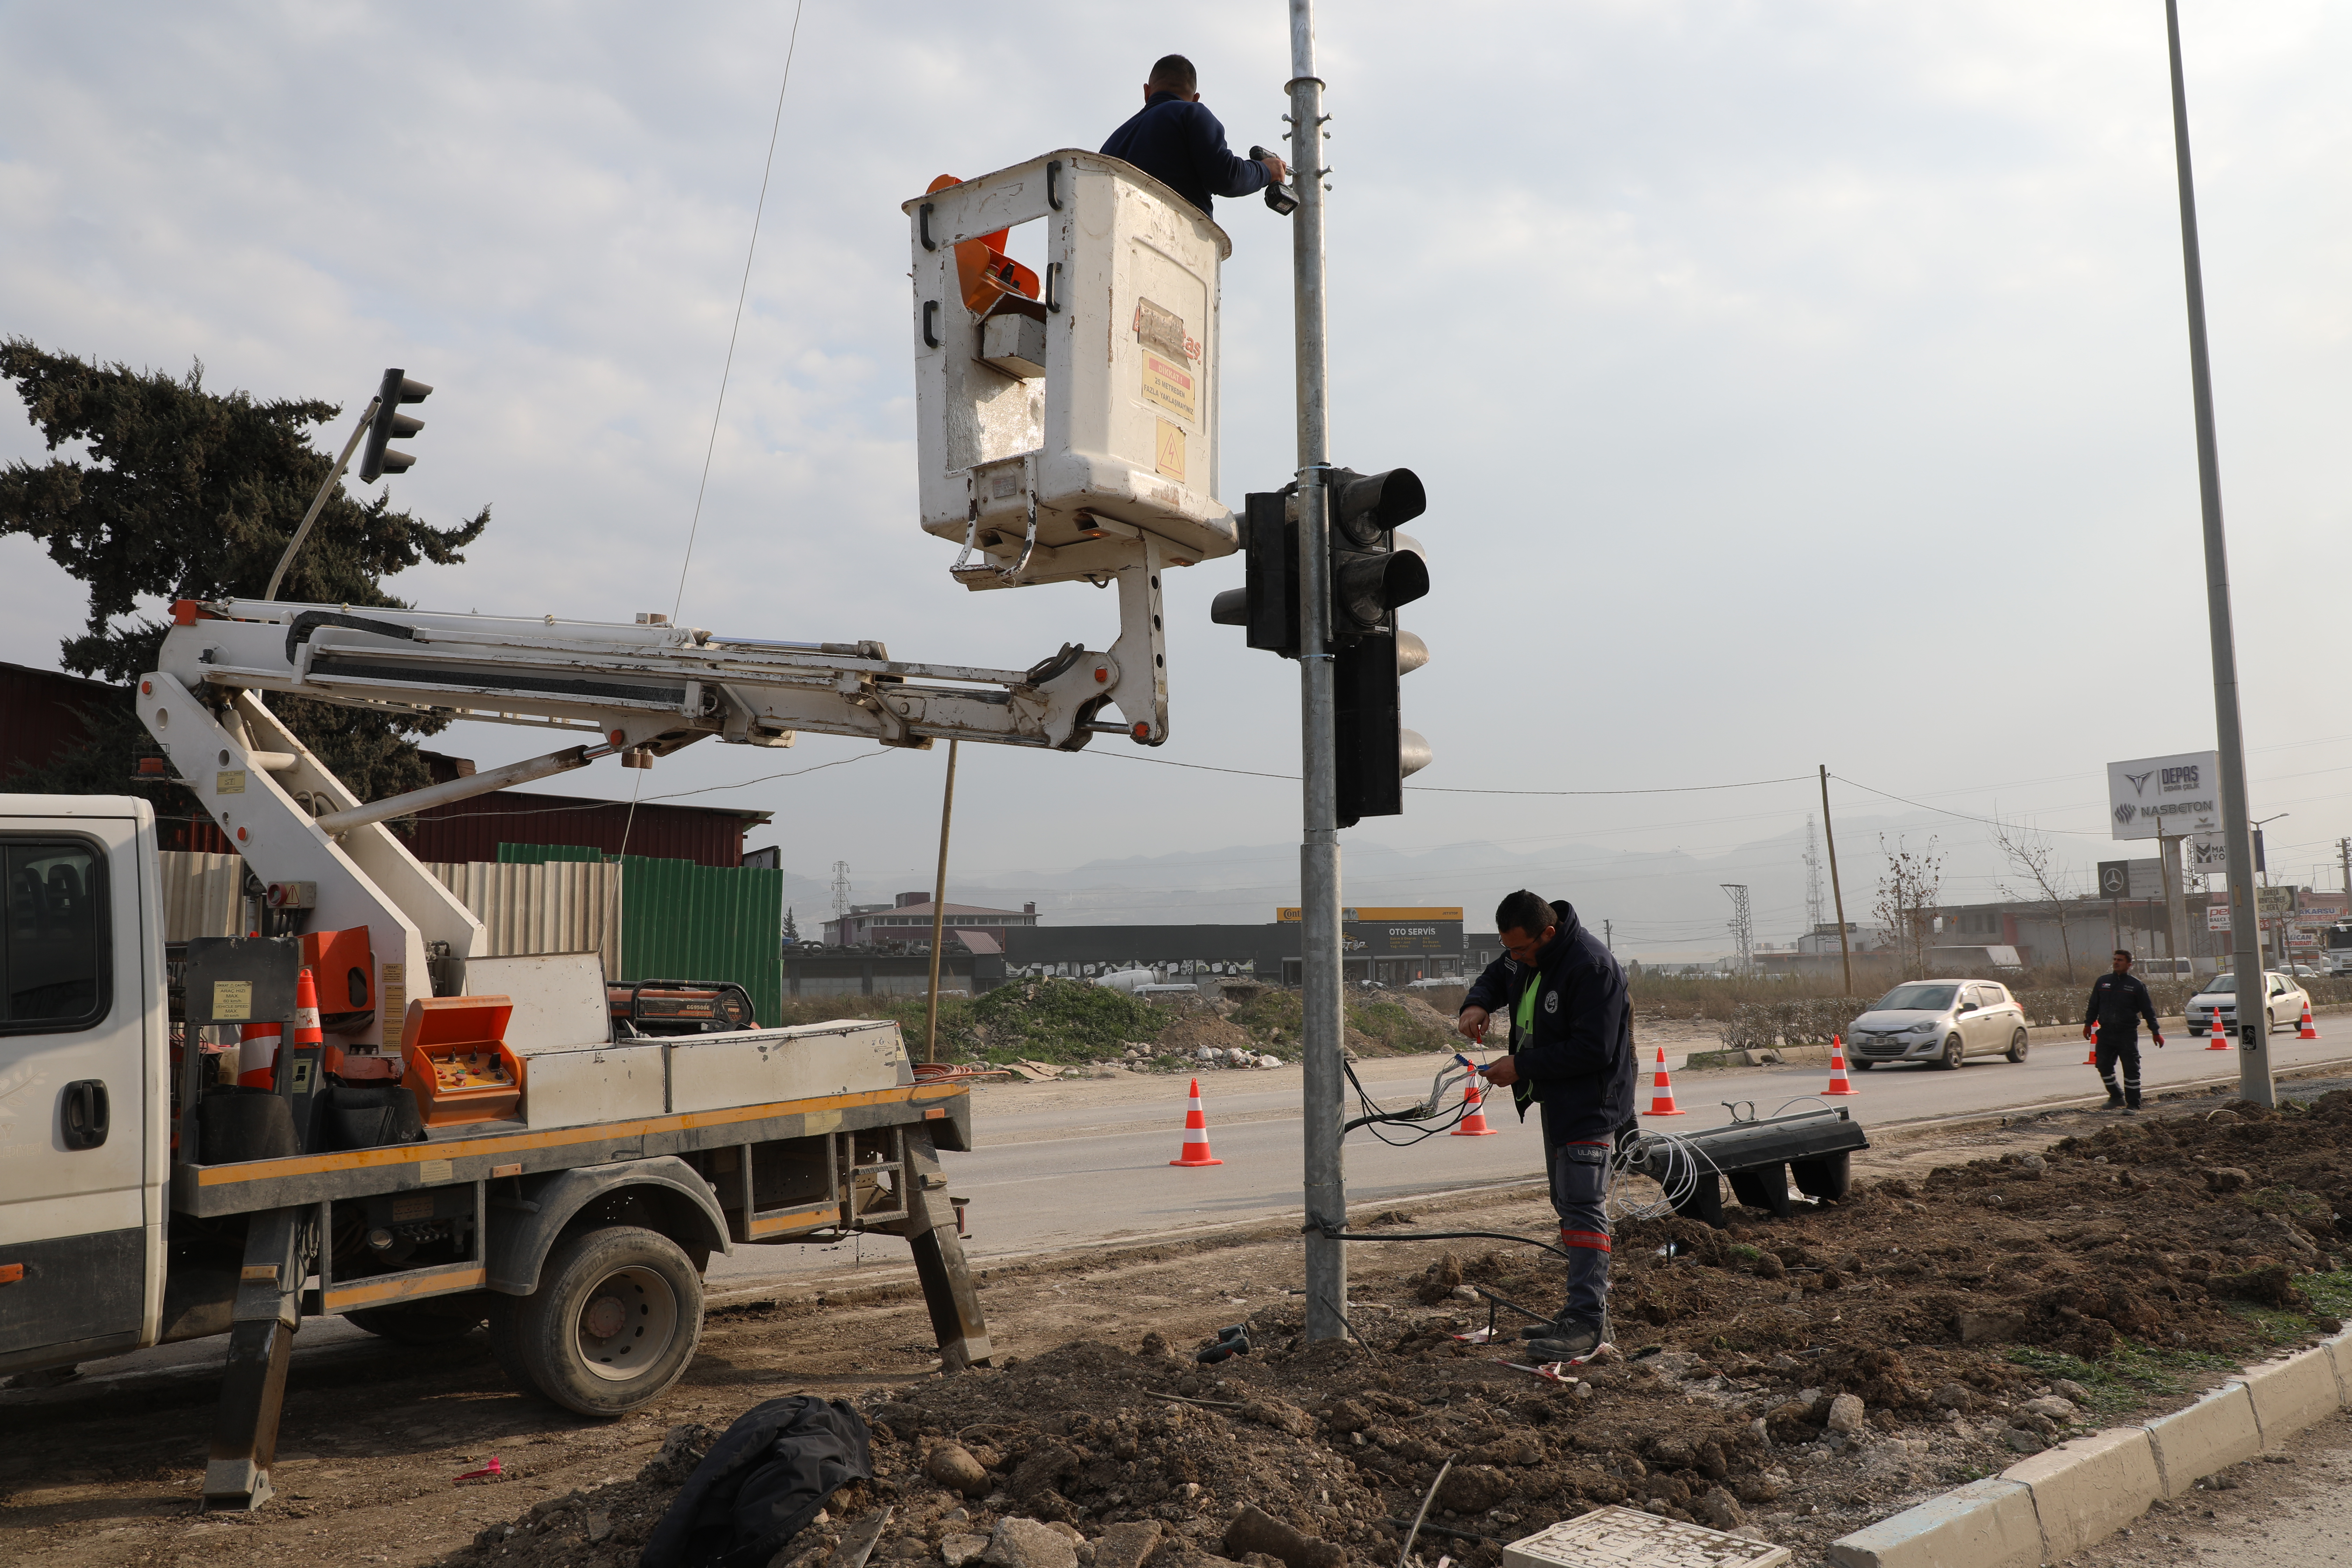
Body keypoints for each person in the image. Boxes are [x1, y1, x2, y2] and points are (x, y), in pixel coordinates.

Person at [1457, 890, 1639, 1358]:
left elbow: (1592, 1050)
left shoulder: (1590, 968)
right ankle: (1584, 1313)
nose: (1513, 957)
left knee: (1582, 1207)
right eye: (1509, 948)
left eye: (1520, 949)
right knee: (1568, 1205)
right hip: (1558, 1100)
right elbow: (1501, 972)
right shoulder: (1531, 955)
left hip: (1591, 1104)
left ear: (1548, 933)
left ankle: (1587, 1321)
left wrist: (1521, 1066)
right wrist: (1478, 1004)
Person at [1099, 54, 1287, 220]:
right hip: (1174, 247)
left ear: (1147, 92)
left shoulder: (1111, 145)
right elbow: (1227, 176)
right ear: (1196, 98)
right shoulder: (1192, 113)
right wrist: (1266, 170)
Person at [2084, 948, 2164, 1111]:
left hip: (2126, 1034)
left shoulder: (2136, 985)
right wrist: (2088, 1023)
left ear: (2129, 965)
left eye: (2120, 960)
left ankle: (2134, 1104)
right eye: (2115, 959)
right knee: (2103, 1065)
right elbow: (2093, 1005)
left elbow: (2148, 1011)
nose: (2116, 962)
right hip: (2106, 1032)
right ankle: (2116, 1097)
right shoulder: (2102, 982)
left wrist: (2156, 1032)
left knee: (2131, 1069)